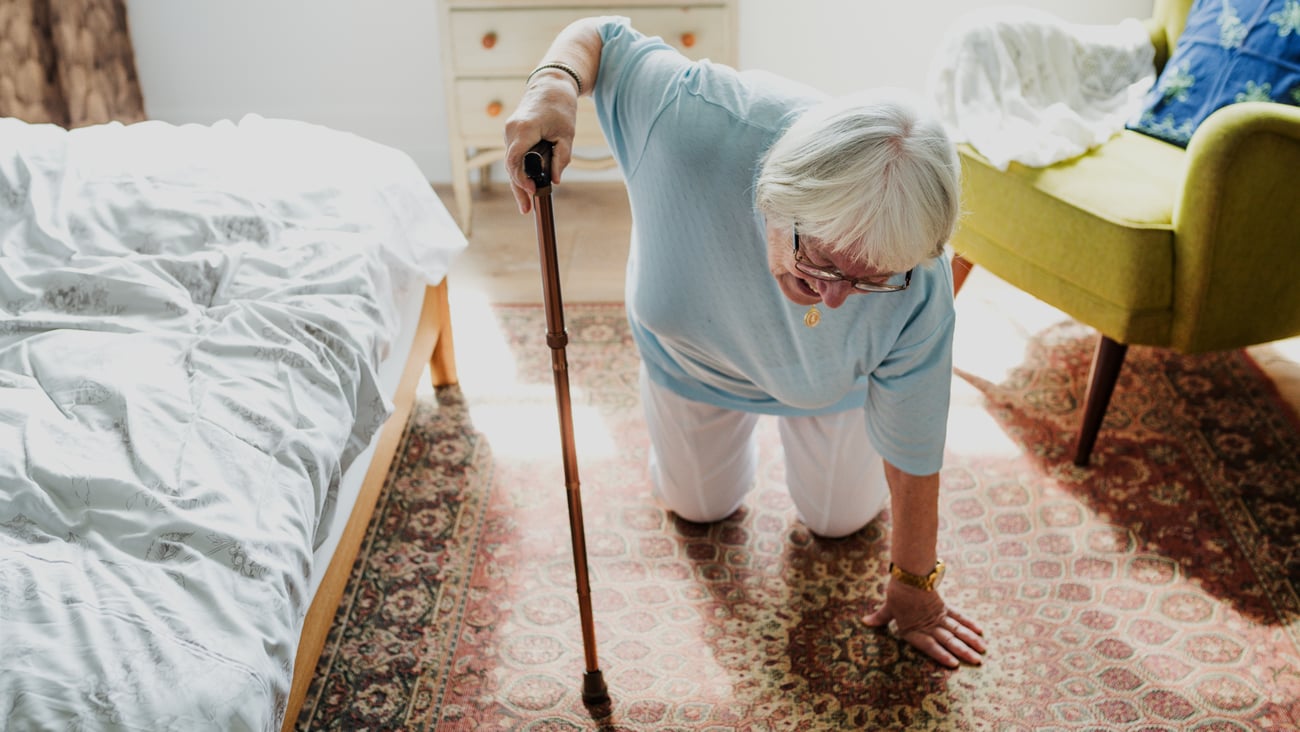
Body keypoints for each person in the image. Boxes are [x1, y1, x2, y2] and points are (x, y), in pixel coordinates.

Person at [504, 16, 986, 668]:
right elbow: (602, 37)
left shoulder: (915, 279)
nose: (837, 298)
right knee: (697, 507)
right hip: (690, 358)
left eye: (869, 280)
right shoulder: (686, 120)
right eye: (821, 264)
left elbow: (915, 445)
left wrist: (915, 586)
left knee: (840, 522)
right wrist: (553, 84)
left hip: (829, 387)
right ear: (776, 199)